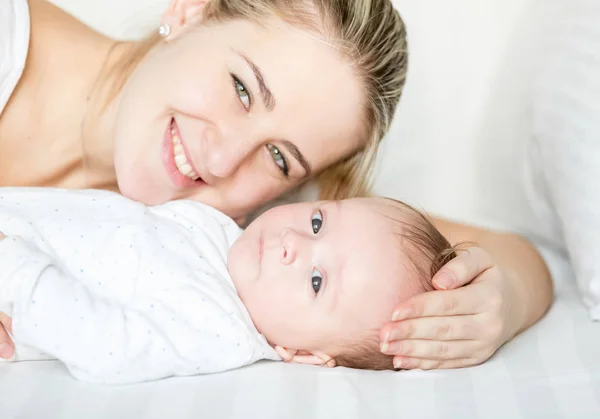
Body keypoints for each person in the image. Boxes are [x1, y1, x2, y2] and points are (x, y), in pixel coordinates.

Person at [0, 0, 553, 370]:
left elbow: (512, 254)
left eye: (279, 157)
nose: (220, 159)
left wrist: (500, 303)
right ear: (193, 11)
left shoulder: (266, 231)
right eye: (242, 89)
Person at [0, 187, 454, 384]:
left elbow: (106, 348)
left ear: (305, 355)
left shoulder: (217, 327)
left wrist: (12, 267)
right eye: (317, 221)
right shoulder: (221, 233)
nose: (293, 243)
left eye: (316, 281)